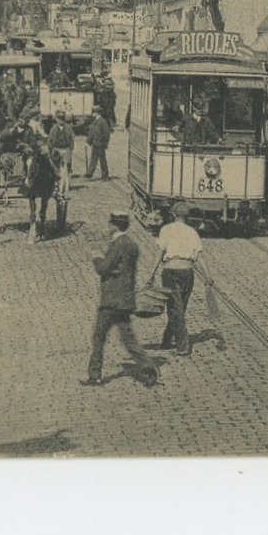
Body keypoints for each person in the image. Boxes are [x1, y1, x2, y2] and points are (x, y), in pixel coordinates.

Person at [84, 212, 158, 387]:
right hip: (125, 300)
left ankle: (95, 375)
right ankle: (148, 368)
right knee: (128, 338)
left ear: (114, 226)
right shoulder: (132, 245)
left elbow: (103, 268)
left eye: (110, 224)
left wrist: (95, 258)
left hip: (111, 301)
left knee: (99, 337)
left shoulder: (118, 245)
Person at [153, 204, 205, 355]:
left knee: (175, 308)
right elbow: (200, 256)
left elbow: (159, 253)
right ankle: (167, 340)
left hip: (170, 272)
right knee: (179, 308)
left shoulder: (166, 230)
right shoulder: (192, 232)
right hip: (188, 273)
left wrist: (151, 274)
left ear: (173, 214)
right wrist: (208, 276)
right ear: (187, 216)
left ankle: (183, 346)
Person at [85, 107, 112, 181]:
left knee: (102, 160)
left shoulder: (103, 121)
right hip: (95, 144)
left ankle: (105, 175)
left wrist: (105, 144)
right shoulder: (94, 121)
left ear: (97, 113)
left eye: (93, 112)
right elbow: (91, 133)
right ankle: (90, 173)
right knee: (93, 159)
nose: (92, 114)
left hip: (100, 144)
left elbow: (107, 133)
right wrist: (88, 142)